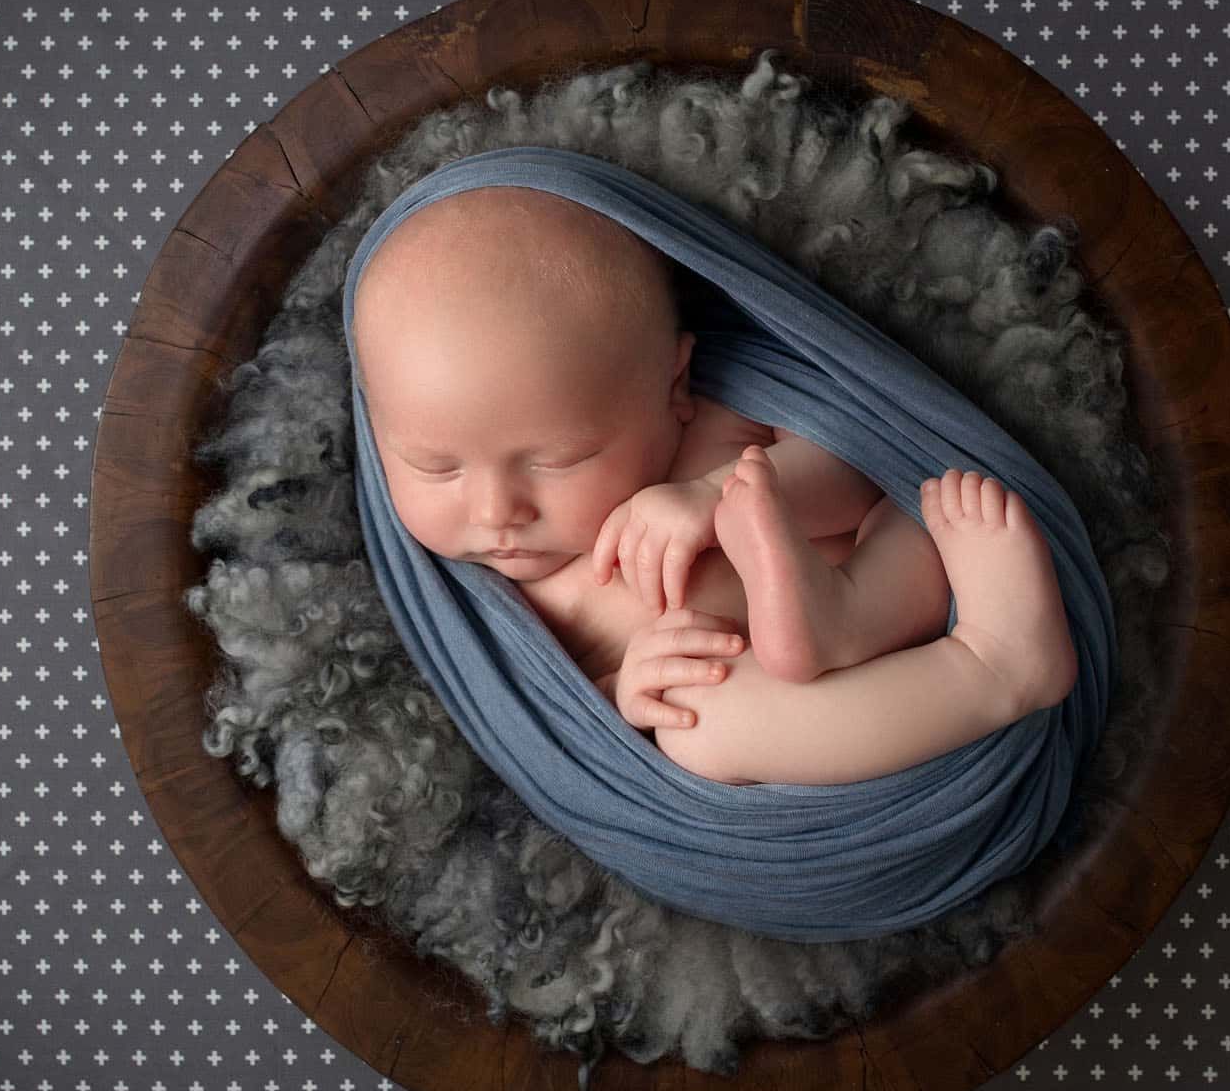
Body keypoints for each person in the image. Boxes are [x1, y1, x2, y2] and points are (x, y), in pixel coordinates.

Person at [348, 184, 1077, 787]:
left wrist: (717, 494)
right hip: (815, 706)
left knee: (926, 505)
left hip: (889, 586)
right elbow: (553, 729)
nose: (496, 511)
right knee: (698, 724)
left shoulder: (715, 429)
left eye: (556, 459)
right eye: (435, 467)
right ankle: (992, 670)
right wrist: (626, 694)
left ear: (673, 386)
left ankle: (848, 618)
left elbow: (857, 465)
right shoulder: (499, 609)